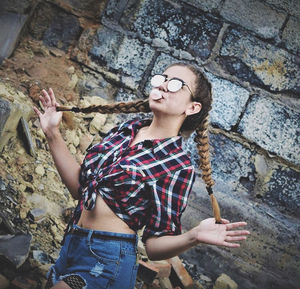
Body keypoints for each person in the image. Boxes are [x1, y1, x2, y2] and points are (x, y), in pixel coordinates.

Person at [33, 63, 250, 289]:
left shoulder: (177, 165)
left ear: (193, 107)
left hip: (106, 261)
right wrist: (52, 133)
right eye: (162, 78)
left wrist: (193, 236)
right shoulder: (125, 130)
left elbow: (154, 246)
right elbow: (81, 190)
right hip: (71, 245)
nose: (164, 86)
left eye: (176, 84)